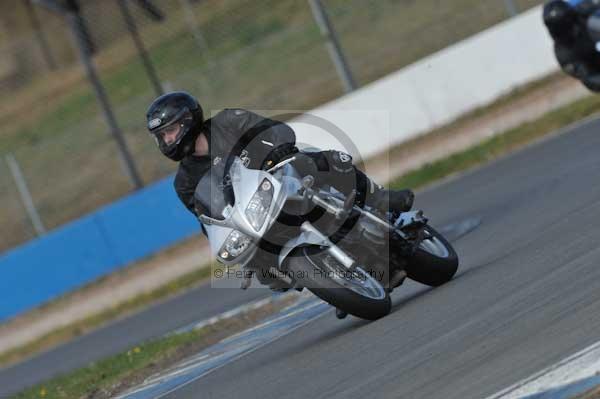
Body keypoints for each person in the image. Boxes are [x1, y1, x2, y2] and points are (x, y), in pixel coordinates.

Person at [543, 0, 600, 91]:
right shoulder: (564, 54)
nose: (561, 29)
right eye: (557, 27)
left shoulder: (585, 11)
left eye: (564, 23)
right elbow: (589, 79)